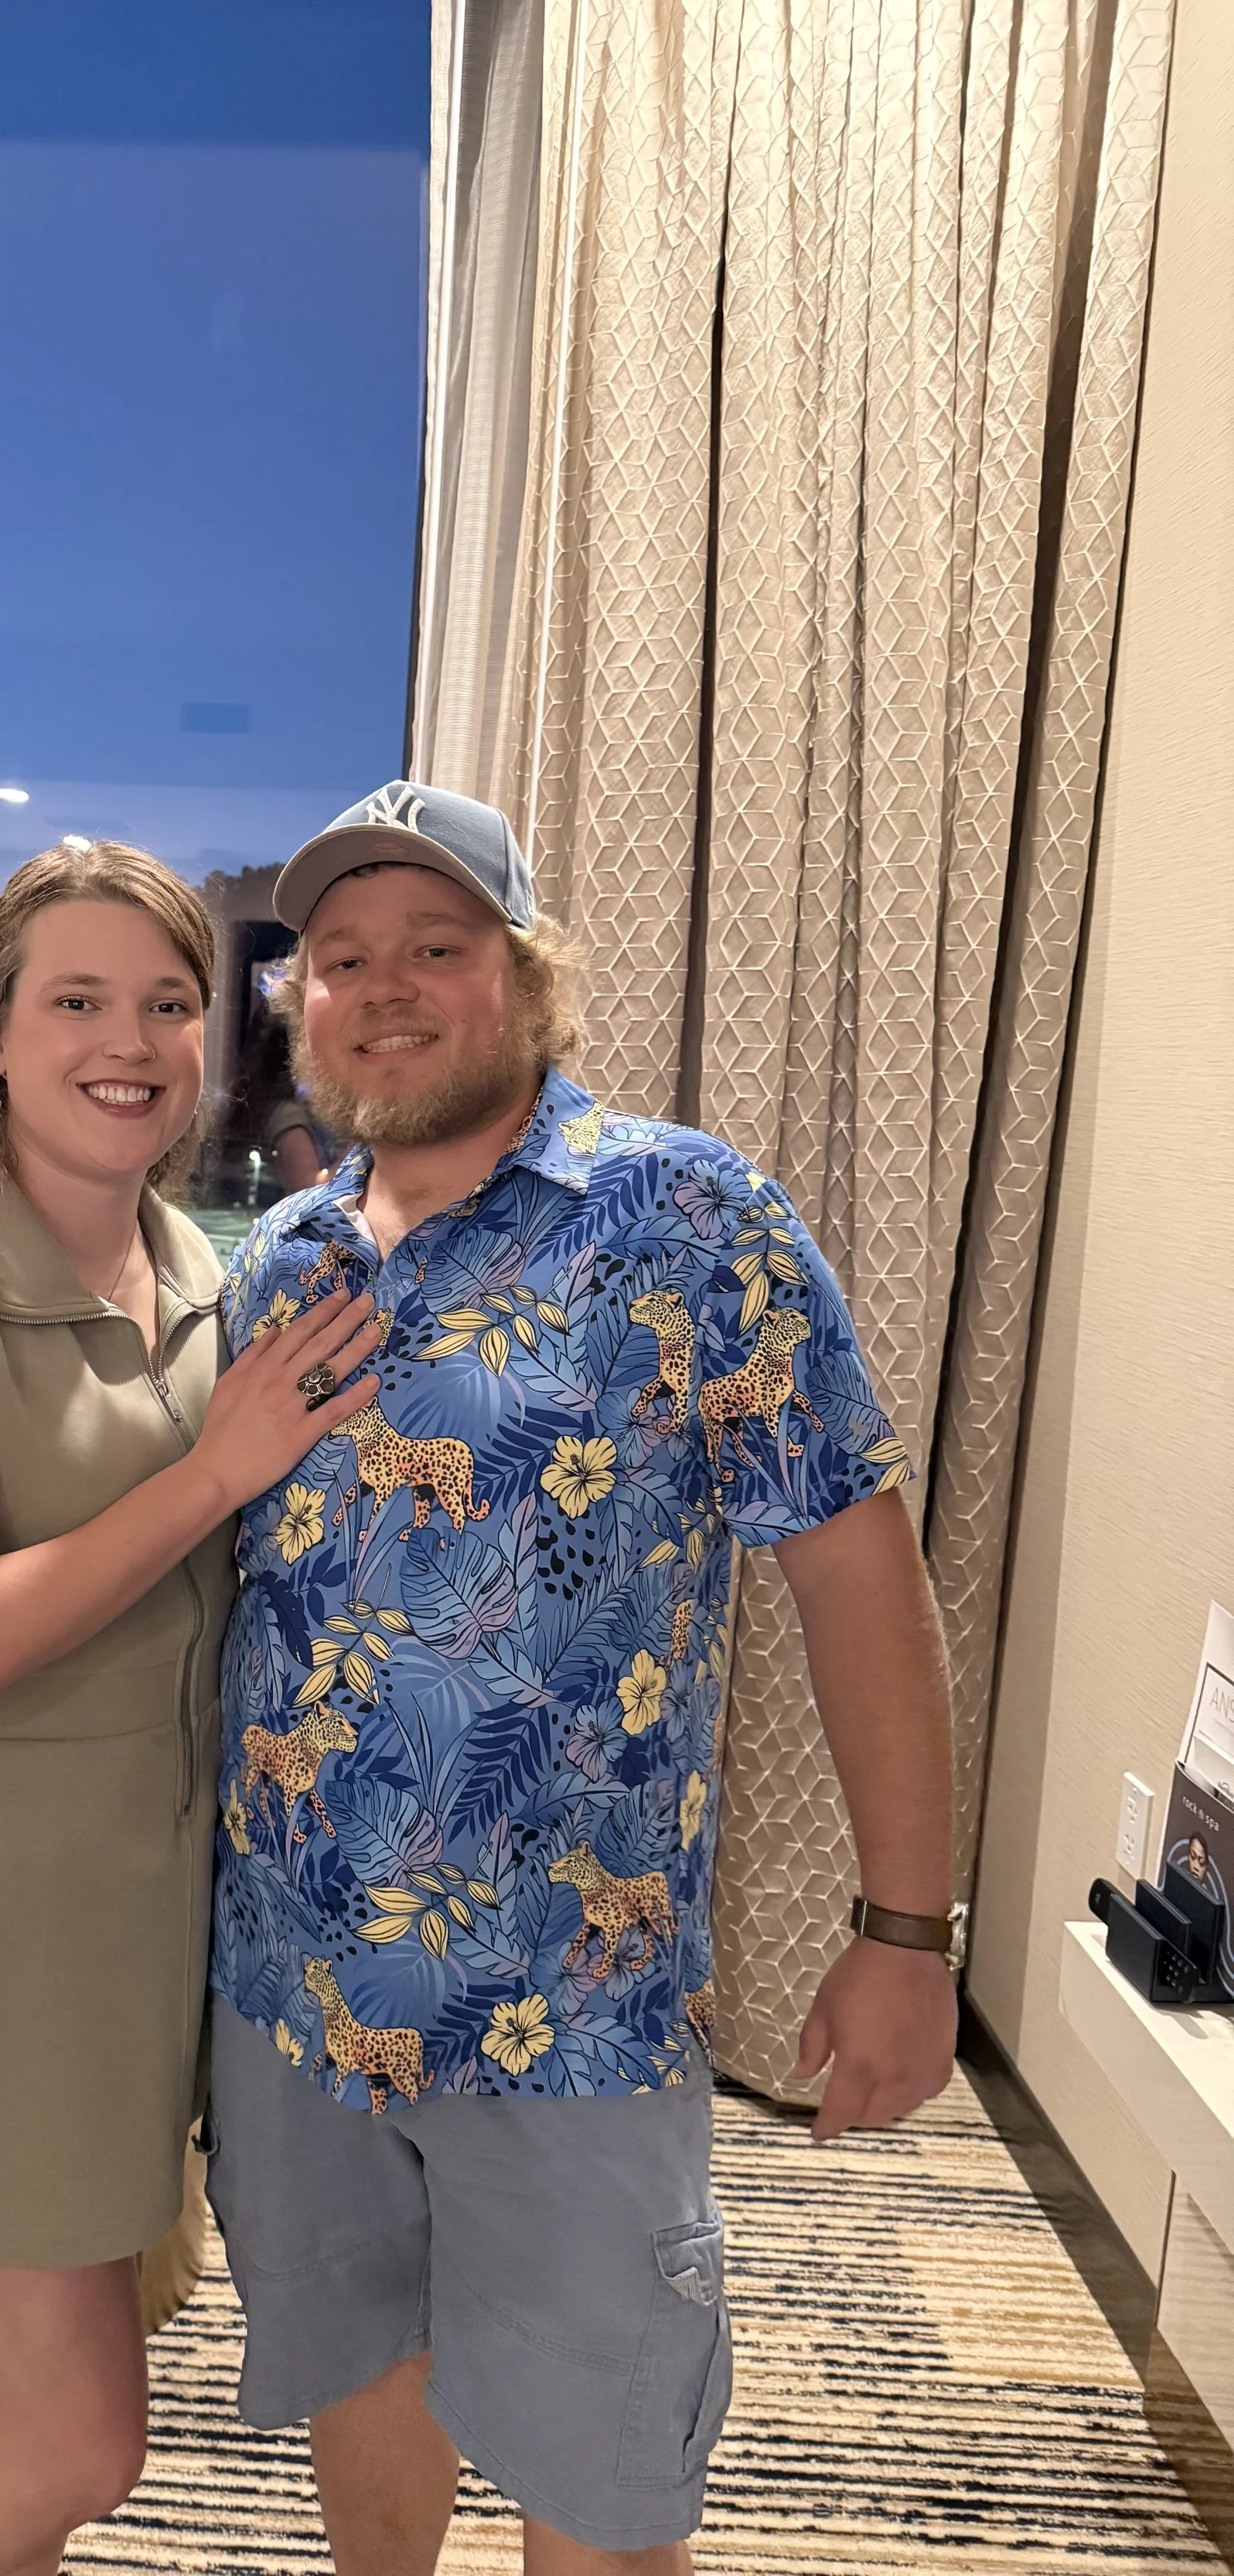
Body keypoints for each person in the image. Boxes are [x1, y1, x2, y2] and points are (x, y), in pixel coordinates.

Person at [207, 784, 957, 2576]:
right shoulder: (276, 1261)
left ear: (526, 980)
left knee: (599, 2468)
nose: (382, 987)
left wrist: (907, 1929)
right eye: (339, 959)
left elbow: (855, 1572)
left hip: (568, 2001)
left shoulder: (688, 1221)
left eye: (435, 949)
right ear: (297, 1005)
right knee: (358, 2386)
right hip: (290, 1989)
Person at [0, 841, 383, 2576]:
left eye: (169, 1002)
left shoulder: (190, 1265)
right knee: (73, 2432)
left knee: (47, 2416)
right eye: (80, 1000)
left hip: (136, 1914)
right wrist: (218, 1471)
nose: (131, 1039)